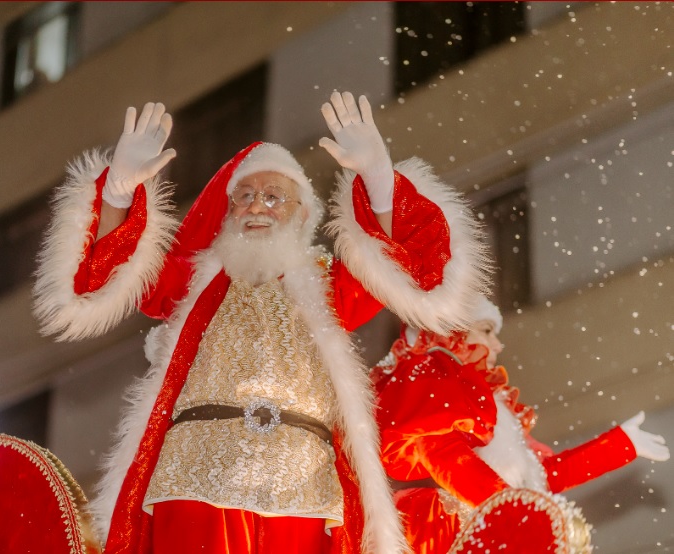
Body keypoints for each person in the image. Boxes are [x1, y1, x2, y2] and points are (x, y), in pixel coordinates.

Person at [32, 91, 490, 554]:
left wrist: (378, 182)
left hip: (303, 486)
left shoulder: (331, 286)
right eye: (245, 196)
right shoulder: (193, 284)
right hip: (195, 475)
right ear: (228, 212)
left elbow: (412, 265)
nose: (256, 207)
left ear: (302, 215)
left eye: (274, 197)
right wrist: (117, 192)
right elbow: (106, 271)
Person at [372, 295, 670, 554]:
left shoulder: (493, 408)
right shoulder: (434, 379)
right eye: (486, 330)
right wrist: (511, 507)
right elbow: (440, 452)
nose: (497, 345)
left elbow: (540, 477)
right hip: (447, 529)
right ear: (452, 333)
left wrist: (619, 445)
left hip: (493, 529)